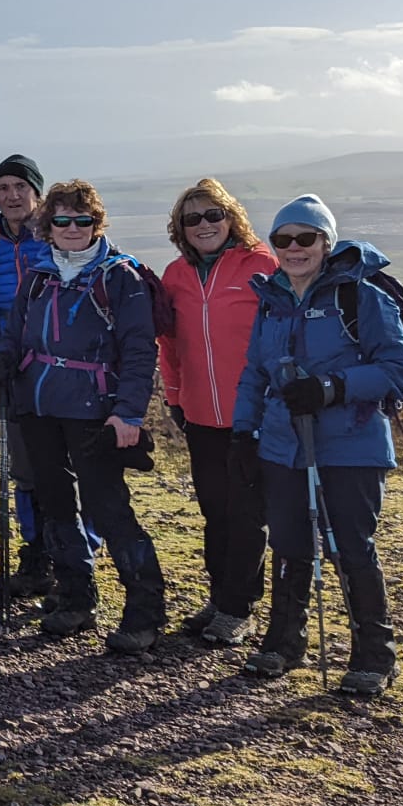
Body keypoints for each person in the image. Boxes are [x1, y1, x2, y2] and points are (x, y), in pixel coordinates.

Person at [232, 195, 403, 694]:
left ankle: (374, 657)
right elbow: (254, 373)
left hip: (351, 448)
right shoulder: (270, 301)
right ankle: (283, 643)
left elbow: (400, 370)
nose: (294, 248)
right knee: (289, 544)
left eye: (305, 238)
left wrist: (332, 387)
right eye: (283, 239)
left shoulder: (360, 297)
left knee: (351, 548)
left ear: (326, 243)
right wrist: (243, 432)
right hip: (281, 446)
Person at [0, 179, 166, 651]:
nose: (72, 228)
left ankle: (145, 611)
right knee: (56, 504)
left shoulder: (121, 277)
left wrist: (128, 415)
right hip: (38, 407)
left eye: (82, 220)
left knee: (108, 508)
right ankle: (76, 599)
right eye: (61, 220)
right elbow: (16, 335)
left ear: (97, 223)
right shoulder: (39, 276)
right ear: (49, 225)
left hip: (93, 412)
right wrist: (1, 358)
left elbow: (141, 352)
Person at [0, 152, 98, 595]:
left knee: (72, 468)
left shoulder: (62, 233)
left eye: (20, 187)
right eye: (3, 188)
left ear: (37, 193)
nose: (11, 195)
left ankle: (78, 556)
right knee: (26, 469)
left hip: (64, 371)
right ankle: (36, 553)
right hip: (14, 368)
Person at [158, 179, 275, 645]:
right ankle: (220, 596)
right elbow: (170, 344)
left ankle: (238, 607)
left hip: (253, 414)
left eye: (213, 215)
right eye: (193, 218)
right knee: (215, 510)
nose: (204, 225)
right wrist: (174, 395)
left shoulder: (262, 265)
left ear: (232, 218)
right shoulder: (175, 275)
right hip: (200, 413)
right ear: (180, 228)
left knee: (247, 513)